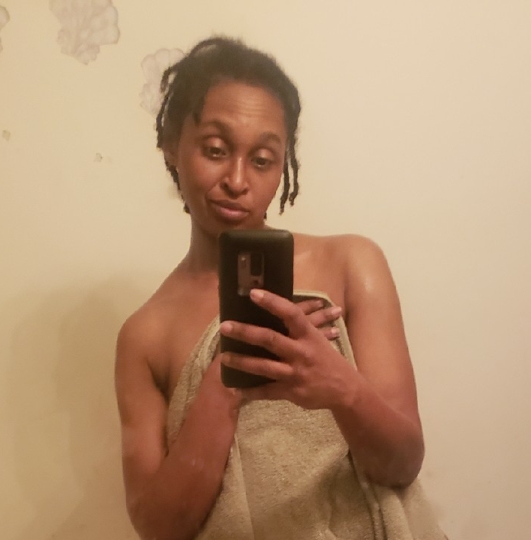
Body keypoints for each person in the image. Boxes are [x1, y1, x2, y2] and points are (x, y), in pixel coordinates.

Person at [115, 37, 446, 540]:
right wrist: (227, 379)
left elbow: (402, 463)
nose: (237, 180)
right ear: (171, 145)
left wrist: (341, 389)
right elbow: (159, 527)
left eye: (263, 159)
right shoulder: (146, 335)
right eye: (216, 150)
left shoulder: (352, 264)